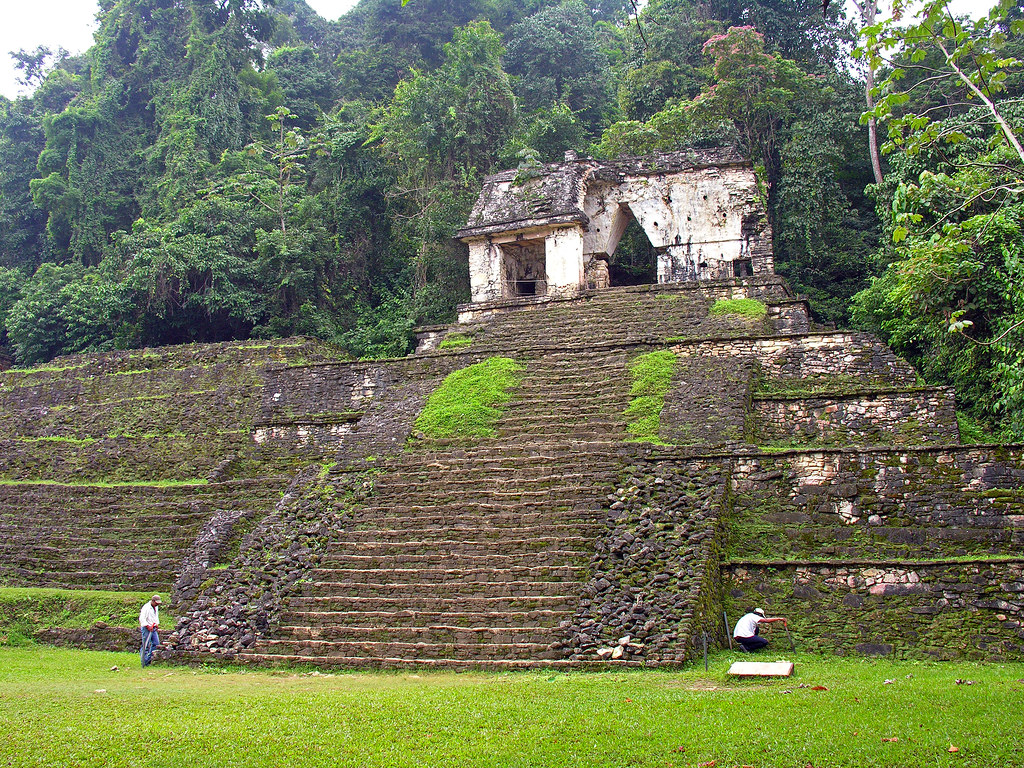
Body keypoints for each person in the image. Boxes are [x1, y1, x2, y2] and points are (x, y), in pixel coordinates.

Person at [139, 594, 161, 667]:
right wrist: (147, 626)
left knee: (156, 643)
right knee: (145, 644)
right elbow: (142, 618)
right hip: (147, 628)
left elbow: (155, 616)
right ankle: (144, 661)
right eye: (156, 603)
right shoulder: (146, 608)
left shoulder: (155, 607)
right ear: (153, 601)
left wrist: (156, 624)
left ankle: (148, 659)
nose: (157, 604)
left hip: (153, 627)